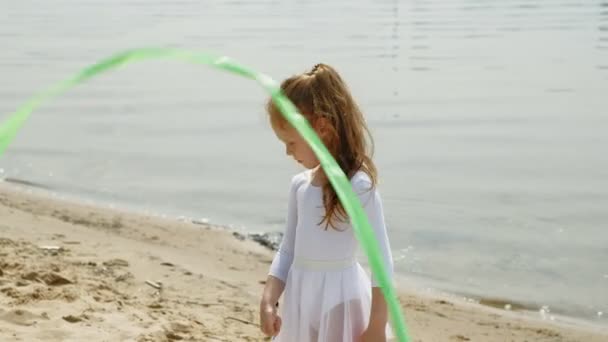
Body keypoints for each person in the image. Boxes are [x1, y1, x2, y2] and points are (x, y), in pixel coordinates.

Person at [259, 63, 394, 342]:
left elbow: (381, 261)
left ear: (322, 129)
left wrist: (378, 325)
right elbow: (287, 251)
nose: (287, 152)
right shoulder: (300, 186)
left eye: (292, 143)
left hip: (340, 301)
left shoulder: (358, 187)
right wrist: (269, 297)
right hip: (300, 299)